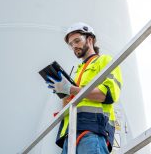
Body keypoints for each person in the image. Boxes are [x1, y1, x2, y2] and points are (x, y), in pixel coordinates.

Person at [46, 22, 123, 153]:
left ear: (90, 40)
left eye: (77, 41)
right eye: (71, 44)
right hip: (69, 134)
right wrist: (63, 92)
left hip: (92, 130)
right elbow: (68, 105)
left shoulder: (104, 61)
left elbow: (108, 94)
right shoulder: (76, 72)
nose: (74, 46)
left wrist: (70, 89)